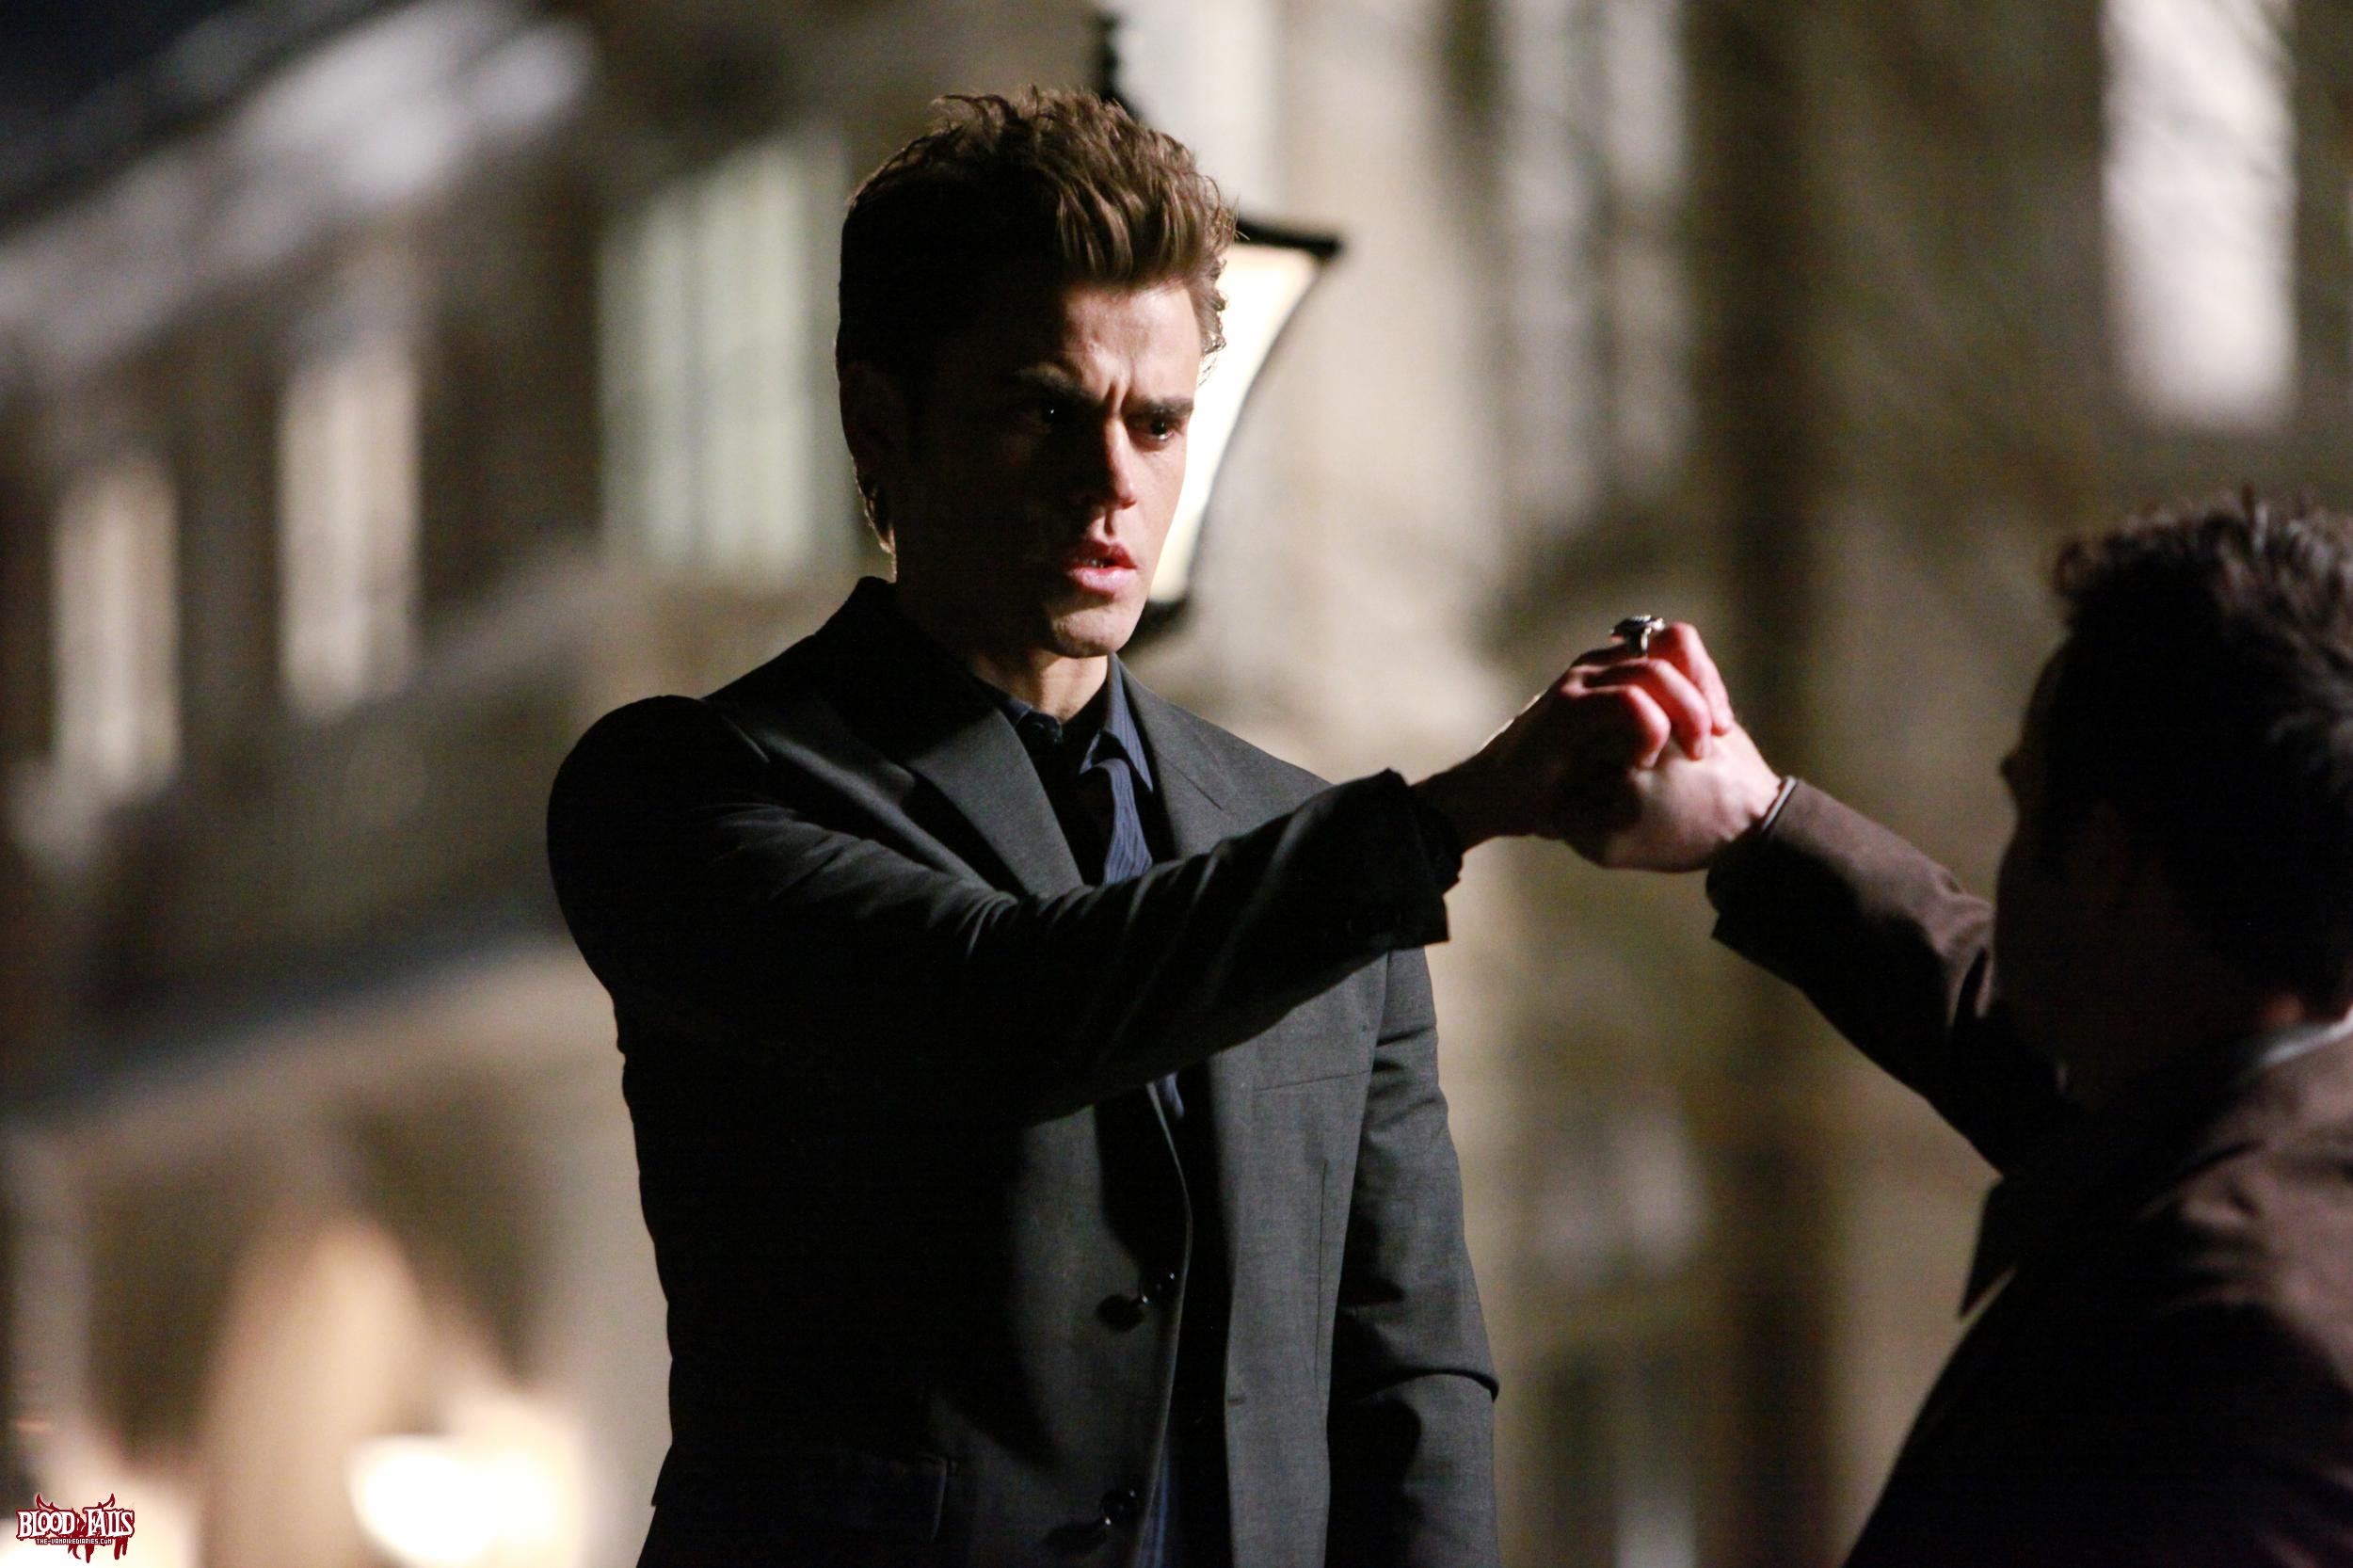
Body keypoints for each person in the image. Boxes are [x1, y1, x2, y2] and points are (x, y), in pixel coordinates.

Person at [546, 89, 1734, 1567]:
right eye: (1045, 412)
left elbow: (1410, 1367)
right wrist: (1452, 812)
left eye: (1158, 422)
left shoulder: (1295, 833)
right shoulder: (685, 790)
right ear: (881, 424)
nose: (1115, 481)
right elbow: (1000, 1008)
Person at [1560, 494, 2353, 1564]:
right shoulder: (2263, 1148)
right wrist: (1758, 822)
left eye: (2024, 810)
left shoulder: (2226, 1341)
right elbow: (2016, 1045)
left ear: (2105, 860)